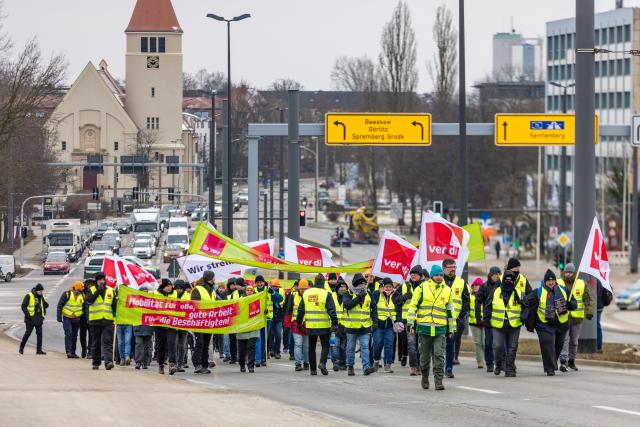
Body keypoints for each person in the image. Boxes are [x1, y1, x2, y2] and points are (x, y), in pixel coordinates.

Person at [407, 265, 455, 391]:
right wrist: (410, 323)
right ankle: (424, 377)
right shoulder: (422, 288)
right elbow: (413, 306)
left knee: (439, 355)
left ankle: (438, 381)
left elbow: (450, 311)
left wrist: (452, 328)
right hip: (424, 328)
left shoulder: (447, 290)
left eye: (441, 275)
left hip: (440, 329)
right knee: (424, 358)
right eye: (436, 275)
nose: (439, 277)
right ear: (432, 275)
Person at [525, 269, 577, 376]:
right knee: (547, 345)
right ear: (545, 282)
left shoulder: (564, 290)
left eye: (553, 280)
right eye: (548, 280)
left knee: (558, 346)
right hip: (544, 324)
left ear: (555, 281)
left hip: (561, 324)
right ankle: (550, 369)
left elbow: (574, 303)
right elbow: (527, 302)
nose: (551, 282)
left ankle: (552, 362)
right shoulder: (538, 292)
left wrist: (570, 305)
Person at [483, 270, 526, 377]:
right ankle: (498, 364)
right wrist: (486, 320)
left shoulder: (519, 292)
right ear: (502, 280)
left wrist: (523, 316)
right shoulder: (495, 291)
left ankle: (509, 369)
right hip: (498, 325)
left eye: (511, 280)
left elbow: (526, 306)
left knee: (512, 348)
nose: (508, 281)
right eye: (506, 279)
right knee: (498, 347)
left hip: (514, 325)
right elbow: (487, 306)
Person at [297, 274, 339, 376]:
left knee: (312, 347)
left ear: (315, 281)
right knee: (325, 345)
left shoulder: (306, 293)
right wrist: (335, 322)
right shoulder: (326, 293)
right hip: (323, 325)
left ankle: (313, 370)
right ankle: (322, 363)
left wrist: (298, 323)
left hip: (310, 325)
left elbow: (301, 309)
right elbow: (332, 310)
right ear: (323, 282)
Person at [558, 263, 594, 372]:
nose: (568, 274)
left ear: (574, 273)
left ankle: (571, 360)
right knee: (565, 339)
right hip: (563, 317)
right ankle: (563, 361)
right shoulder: (559, 282)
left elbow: (588, 299)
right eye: (566, 272)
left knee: (574, 341)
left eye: (570, 272)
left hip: (577, 318)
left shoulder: (581, 284)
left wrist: (589, 311)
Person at [343, 273, 377, 376]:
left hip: (365, 326)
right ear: (355, 285)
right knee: (350, 348)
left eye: (363, 284)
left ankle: (366, 367)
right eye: (359, 284)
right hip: (351, 326)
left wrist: (375, 321)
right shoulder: (348, 293)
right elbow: (347, 305)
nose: (362, 286)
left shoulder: (368, 293)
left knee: (365, 347)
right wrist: (358, 298)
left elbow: (374, 307)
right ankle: (350, 366)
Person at [392, 264, 424, 375]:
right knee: (411, 344)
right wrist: (405, 296)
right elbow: (394, 299)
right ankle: (413, 367)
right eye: (412, 273)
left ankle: (419, 365)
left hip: (422, 320)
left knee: (421, 345)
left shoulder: (426, 286)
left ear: (420, 275)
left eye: (415, 274)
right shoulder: (405, 286)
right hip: (408, 321)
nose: (413, 275)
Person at [442, 258, 469, 378]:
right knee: (437, 345)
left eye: (454, 267)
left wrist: (461, 315)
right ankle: (437, 367)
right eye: (450, 267)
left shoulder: (461, 282)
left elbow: (466, 300)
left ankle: (448, 369)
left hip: (454, 320)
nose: (453, 270)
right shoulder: (438, 281)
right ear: (444, 268)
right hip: (439, 319)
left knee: (450, 344)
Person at [86, 272, 116, 370]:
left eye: (102, 279)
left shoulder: (111, 291)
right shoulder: (91, 290)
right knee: (96, 343)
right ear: (96, 281)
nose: (101, 281)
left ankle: (108, 362)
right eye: (99, 280)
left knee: (107, 342)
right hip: (95, 320)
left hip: (107, 320)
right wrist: (98, 291)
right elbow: (89, 301)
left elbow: (114, 306)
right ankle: (96, 362)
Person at [190, 270, 217, 374]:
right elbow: (194, 305)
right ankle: (197, 364)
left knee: (206, 343)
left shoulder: (212, 290)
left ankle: (204, 365)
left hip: (209, 321)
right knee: (200, 342)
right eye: (213, 277)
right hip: (199, 321)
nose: (215, 279)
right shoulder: (197, 290)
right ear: (210, 278)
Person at [477, 266, 501, 372]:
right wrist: (478, 317)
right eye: (495, 274)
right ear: (491, 275)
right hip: (488, 319)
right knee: (488, 342)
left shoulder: (502, 286)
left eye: (499, 274)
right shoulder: (484, 286)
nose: (497, 276)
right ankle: (490, 363)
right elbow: (478, 302)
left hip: (500, 319)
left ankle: (500, 362)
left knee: (499, 343)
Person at [372, 278, 398, 373]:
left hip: (390, 326)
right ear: (382, 287)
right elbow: (372, 304)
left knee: (389, 345)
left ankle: (388, 364)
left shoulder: (395, 295)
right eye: (386, 286)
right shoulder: (376, 294)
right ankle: (376, 360)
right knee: (378, 344)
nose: (388, 288)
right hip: (378, 325)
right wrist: (379, 292)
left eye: (390, 286)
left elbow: (398, 308)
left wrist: (398, 321)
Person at [57, 281, 85, 358]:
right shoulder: (67, 294)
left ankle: (73, 352)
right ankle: (68, 351)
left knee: (74, 336)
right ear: (78, 287)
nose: (83, 288)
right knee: (68, 334)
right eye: (82, 287)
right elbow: (60, 305)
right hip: (67, 317)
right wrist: (59, 316)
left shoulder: (82, 295)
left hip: (76, 318)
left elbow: (84, 307)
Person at [19, 283, 49, 355]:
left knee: (39, 334)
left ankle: (39, 350)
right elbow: (23, 306)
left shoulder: (41, 296)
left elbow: (43, 304)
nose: (42, 292)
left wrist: (46, 305)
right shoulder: (29, 295)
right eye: (40, 291)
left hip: (39, 319)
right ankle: (21, 347)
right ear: (36, 290)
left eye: (42, 291)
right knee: (28, 333)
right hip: (30, 319)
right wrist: (28, 315)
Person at [237, 285, 260, 373]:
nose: (249, 291)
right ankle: (242, 365)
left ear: (253, 291)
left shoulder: (257, 300)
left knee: (251, 347)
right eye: (248, 290)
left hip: (253, 327)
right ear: (245, 291)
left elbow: (260, 311)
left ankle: (251, 366)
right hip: (242, 328)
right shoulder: (240, 300)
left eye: (251, 290)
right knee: (241, 349)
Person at [170, 279, 191, 372]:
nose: (178, 290)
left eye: (180, 288)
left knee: (182, 346)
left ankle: (180, 364)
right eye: (176, 288)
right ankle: (173, 364)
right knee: (173, 345)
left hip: (184, 324)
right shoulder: (171, 295)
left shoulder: (188, 296)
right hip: (173, 324)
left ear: (183, 289)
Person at [134, 285, 154, 369]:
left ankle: (145, 362)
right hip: (138, 326)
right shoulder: (135, 301)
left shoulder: (151, 302)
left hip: (148, 327)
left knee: (147, 346)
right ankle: (138, 362)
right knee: (139, 344)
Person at [290, 280, 309, 371]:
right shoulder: (293, 296)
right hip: (295, 323)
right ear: (298, 288)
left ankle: (306, 362)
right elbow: (288, 309)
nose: (303, 290)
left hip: (307, 324)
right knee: (298, 344)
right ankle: (298, 364)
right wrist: (286, 323)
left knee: (306, 346)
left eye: (305, 289)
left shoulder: (310, 297)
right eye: (301, 288)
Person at [330, 278, 348, 371]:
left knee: (343, 346)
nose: (343, 289)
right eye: (341, 287)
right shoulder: (331, 296)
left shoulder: (348, 297)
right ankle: (335, 362)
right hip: (334, 325)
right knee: (334, 345)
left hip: (345, 325)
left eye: (344, 287)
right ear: (337, 288)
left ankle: (343, 362)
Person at [468, 277, 485, 369]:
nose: (474, 286)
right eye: (473, 285)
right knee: (478, 342)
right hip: (474, 323)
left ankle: (488, 359)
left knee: (485, 342)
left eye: (476, 285)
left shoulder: (485, 296)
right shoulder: (470, 297)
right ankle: (480, 361)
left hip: (485, 323)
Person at [268, 279, 286, 359]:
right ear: (271, 286)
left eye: (276, 286)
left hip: (279, 316)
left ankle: (277, 351)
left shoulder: (281, 292)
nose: (275, 288)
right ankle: (270, 350)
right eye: (273, 286)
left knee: (278, 334)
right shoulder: (268, 292)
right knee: (270, 335)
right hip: (270, 316)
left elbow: (284, 303)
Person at [595, 279, 613, 353]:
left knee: (596, 326)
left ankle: (598, 347)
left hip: (597, 306)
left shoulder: (596, 280)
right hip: (600, 306)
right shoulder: (602, 279)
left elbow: (597, 295)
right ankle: (599, 347)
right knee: (597, 325)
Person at [79, 279, 94, 359]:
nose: (90, 286)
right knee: (82, 335)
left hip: (92, 317)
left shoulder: (95, 292)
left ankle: (90, 351)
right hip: (82, 318)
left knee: (91, 335)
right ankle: (84, 350)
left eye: (91, 285)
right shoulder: (81, 292)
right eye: (88, 285)